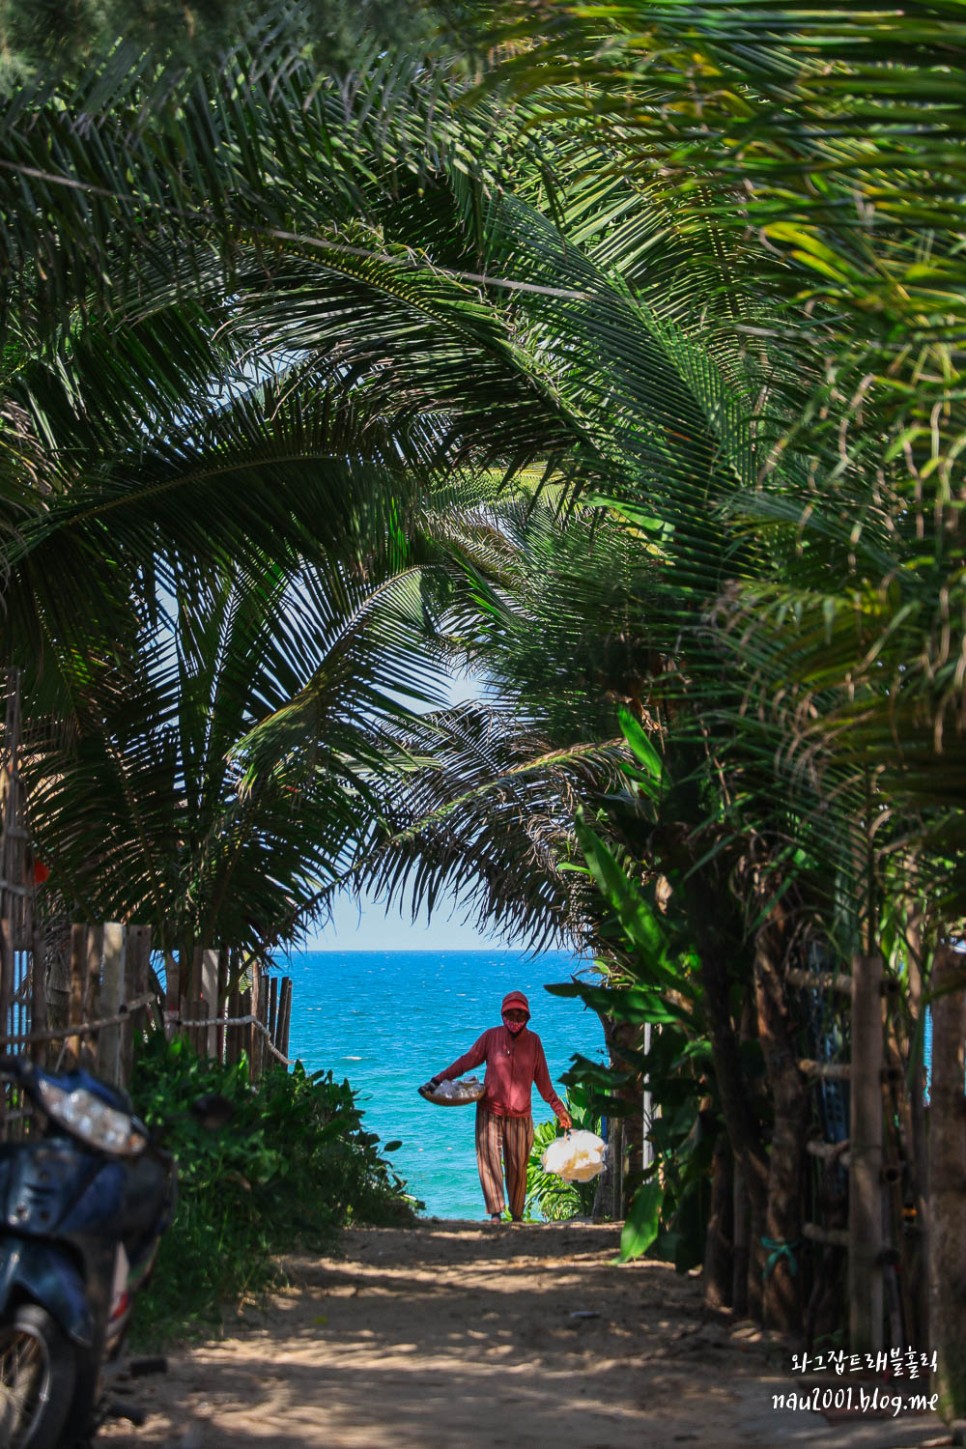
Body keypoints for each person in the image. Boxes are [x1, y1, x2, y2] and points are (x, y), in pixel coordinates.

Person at [421, 990, 572, 1225]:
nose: (514, 1020)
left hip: (521, 1117)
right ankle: (495, 1214)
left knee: (518, 1167)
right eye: (509, 1014)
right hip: (489, 1112)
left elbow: (543, 1083)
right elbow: (466, 1061)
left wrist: (560, 1111)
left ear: (527, 1017)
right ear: (502, 1014)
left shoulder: (534, 1042)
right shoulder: (491, 1037)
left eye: (519, 1015)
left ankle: (518, 1215)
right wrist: (438, 1080)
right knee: (489, 1161)